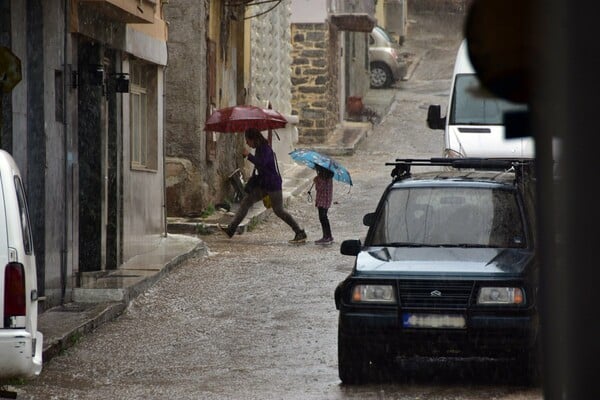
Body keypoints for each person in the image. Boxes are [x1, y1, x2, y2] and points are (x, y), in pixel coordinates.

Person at [219, 128, 307, 244]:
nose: (247, 143)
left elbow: (262, 164)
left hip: (272, 184)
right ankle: (231, 229)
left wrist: (248, 155)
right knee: (246, 202)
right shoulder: (260, 148)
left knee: (279, 211)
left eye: (247, 140)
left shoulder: (265, 149)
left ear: (253, 139)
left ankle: (299, 232)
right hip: (264, 184)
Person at [312, 164, 334, 245]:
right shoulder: (328, 177)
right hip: (326, 200)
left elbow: (319, 188)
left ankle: (326, 236)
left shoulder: (321, 178)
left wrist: (316, 181)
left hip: (322, 201)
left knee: (323, 218)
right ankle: (328, 236)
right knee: (324, 218)